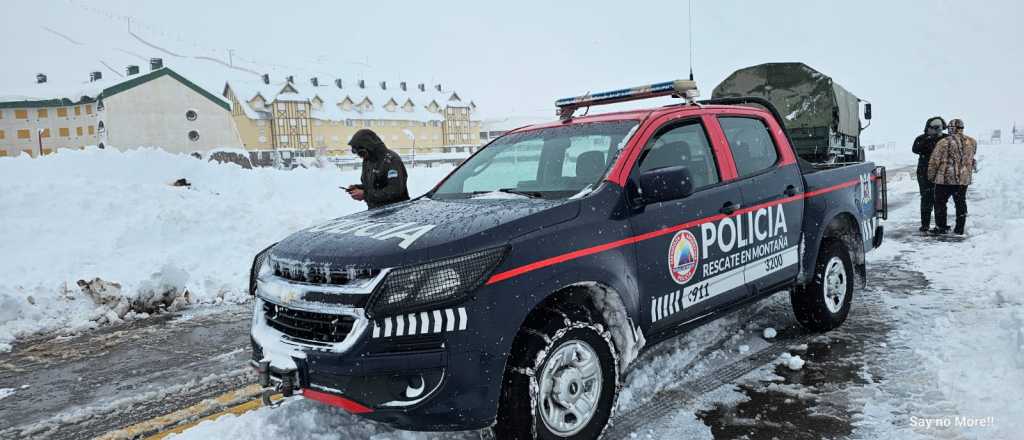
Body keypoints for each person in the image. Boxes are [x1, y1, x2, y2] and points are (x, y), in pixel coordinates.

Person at [927, 118, 977, 235]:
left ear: (952, 129)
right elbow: (970, 157)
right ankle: (959, 229)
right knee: (960, 203)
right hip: (963, 180)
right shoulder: (972, 142)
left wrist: (931, 176)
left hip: (945, 179)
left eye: (949, 128)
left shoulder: (944, 142)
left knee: (940, 203)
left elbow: (934, 161)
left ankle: (941, 227)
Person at [346, 129, 410, 209]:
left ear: (370, 147)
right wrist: (358, 188)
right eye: (358, 153)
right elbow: (375, 185)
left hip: (395, 213)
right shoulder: (368, 161)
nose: (360, 156)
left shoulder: (391, 160)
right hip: (376, 211)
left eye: (361, 153)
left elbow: (395, 190)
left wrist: (365, 195)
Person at [912, 117, 947, 232]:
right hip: (924, 174)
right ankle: (925, 225)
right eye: (934, 127)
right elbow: (916, 149)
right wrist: (929, 137)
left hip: (941, 174)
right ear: (928, 127)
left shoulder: (946, 139)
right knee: (926, 199)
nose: (937, 130)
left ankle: (940, 225)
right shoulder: (922, 138)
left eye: (939, 127)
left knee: (939, 200)